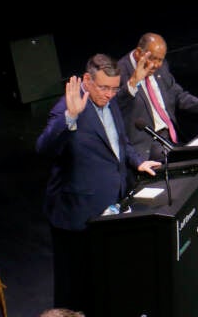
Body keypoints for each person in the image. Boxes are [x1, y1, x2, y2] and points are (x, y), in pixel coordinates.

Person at [36, 54, 161, 313]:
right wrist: (70, 117)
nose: (109, 94)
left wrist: (137, 161)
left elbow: (120, 140)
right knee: (74, 287)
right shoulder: (66, 109)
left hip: (108, 207)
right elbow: (43, 149)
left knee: (103, 278)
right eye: (103, 87)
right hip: (76, 215)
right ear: (86, 80)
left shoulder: (109, 100)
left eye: (114, 88)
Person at [115, 32, 198, 161]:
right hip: (146, 145)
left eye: (161, 59)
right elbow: (115, 109)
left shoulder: (161, 67)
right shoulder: (120, 72)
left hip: (171, 136)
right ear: (138, 53)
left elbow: (179, 96)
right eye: (153, 58)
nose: (157, 64)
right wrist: (133, 82)